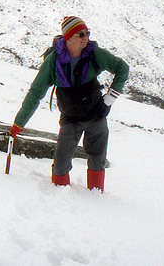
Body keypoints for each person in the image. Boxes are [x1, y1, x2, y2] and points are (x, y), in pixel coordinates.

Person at [9, 16, 129, 192]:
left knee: (97, 160)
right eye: (80, 34)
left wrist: (109, 99)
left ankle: (96, 200)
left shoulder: (94, 53)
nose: (85, 38)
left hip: (96, 113)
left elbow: (122, 68)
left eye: (87, 33)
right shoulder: (53, 61)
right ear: (68, 37)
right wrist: (19, 123)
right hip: (70, 118)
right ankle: (60, 197)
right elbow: (36, 92)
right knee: (60, 164)